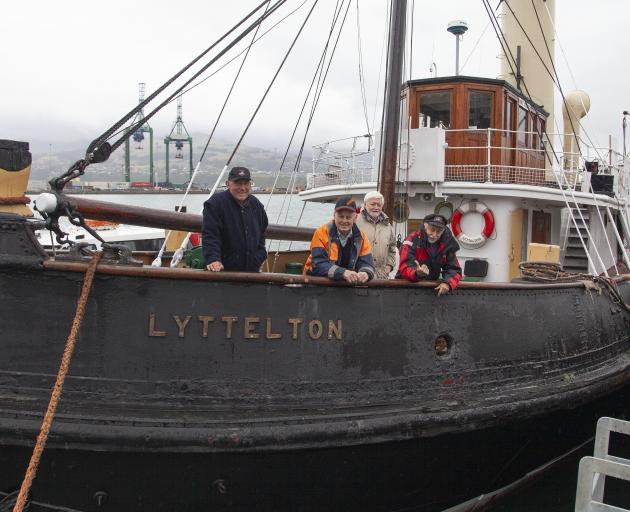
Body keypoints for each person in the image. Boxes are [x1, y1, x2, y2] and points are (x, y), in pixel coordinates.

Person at [202, 166, 268, 272]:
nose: (243, 188)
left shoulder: (256, 205)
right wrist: (213, 259)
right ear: (227, 184)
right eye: (238, 183)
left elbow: (262, 233)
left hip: (252, 271)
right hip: (223, 272)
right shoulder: (215, 204)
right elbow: (210, 235)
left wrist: (260, 256)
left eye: (246, 183)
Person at [304, 195, 375, 283]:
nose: (344, 221)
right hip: (316, 282)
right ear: (334, 215)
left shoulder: (361, 237)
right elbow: (318, 264)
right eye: (341, 216)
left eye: (348, 217)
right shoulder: (321, 233)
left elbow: (367, 263)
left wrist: (365, 273)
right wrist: (343, 273)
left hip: (345, 284)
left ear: (355, 218)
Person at [398, 213, 462, 295]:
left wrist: (448, 283)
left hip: (431, 289)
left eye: (439, 231)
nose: (434, 235)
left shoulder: (447, 244)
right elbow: (404, 266)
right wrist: (417, 273)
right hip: (406, 288)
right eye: (432, 230)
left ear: (443, 231)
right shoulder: (411, 240)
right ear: (425, 226)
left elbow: (454, 269)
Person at [355, 191, 397, 279]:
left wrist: (389, 265)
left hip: (381, 277)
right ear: (365, 204)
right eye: (373, 204)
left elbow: (392, 248)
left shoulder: (388, 226)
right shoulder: (355, 222)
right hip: (359, 276)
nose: (376, 207)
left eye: (379, 205)